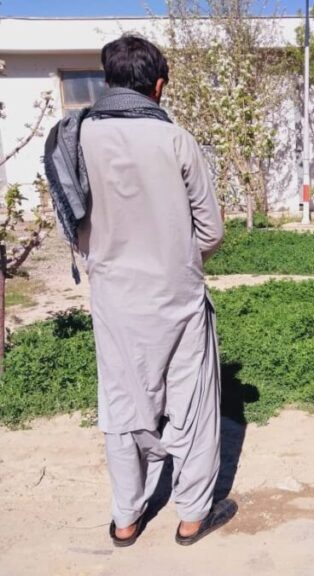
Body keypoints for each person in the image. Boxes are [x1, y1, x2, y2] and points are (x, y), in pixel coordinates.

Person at [55, 35, 235, 547]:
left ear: (107, 80)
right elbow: (212, 231)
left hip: (114, 300)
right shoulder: (176, 140)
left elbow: (72, 222)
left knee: (122, 405)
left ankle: (126, 519)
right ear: (158, 86)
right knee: (193, 404)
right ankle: (192, 517)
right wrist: (178, 259)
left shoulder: (78, 137)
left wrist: (104, 263)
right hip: (178, 297)